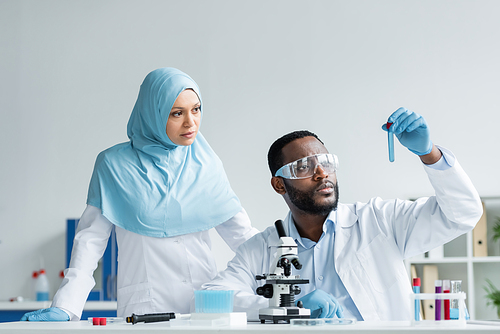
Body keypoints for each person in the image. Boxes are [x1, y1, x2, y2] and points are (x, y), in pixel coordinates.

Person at [21, 67, 258, 321]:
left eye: (196, 109)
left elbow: (243, 237)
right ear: (152, 114)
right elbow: (90, 241)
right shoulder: (113, 164)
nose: (191, 123)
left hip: (205, 308)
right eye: (177, 113)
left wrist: (289, 275)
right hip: (145, 309)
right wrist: (66, 306)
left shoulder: (207, 164)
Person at [202, 108, 483, 321]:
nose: (322, 173)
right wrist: (287, 307)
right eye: (304, 167)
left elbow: (462, 214)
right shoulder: (261, 248)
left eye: (326, 162)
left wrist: (429, 153)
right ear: (279, 185)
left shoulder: (380, 221)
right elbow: (209, 299)